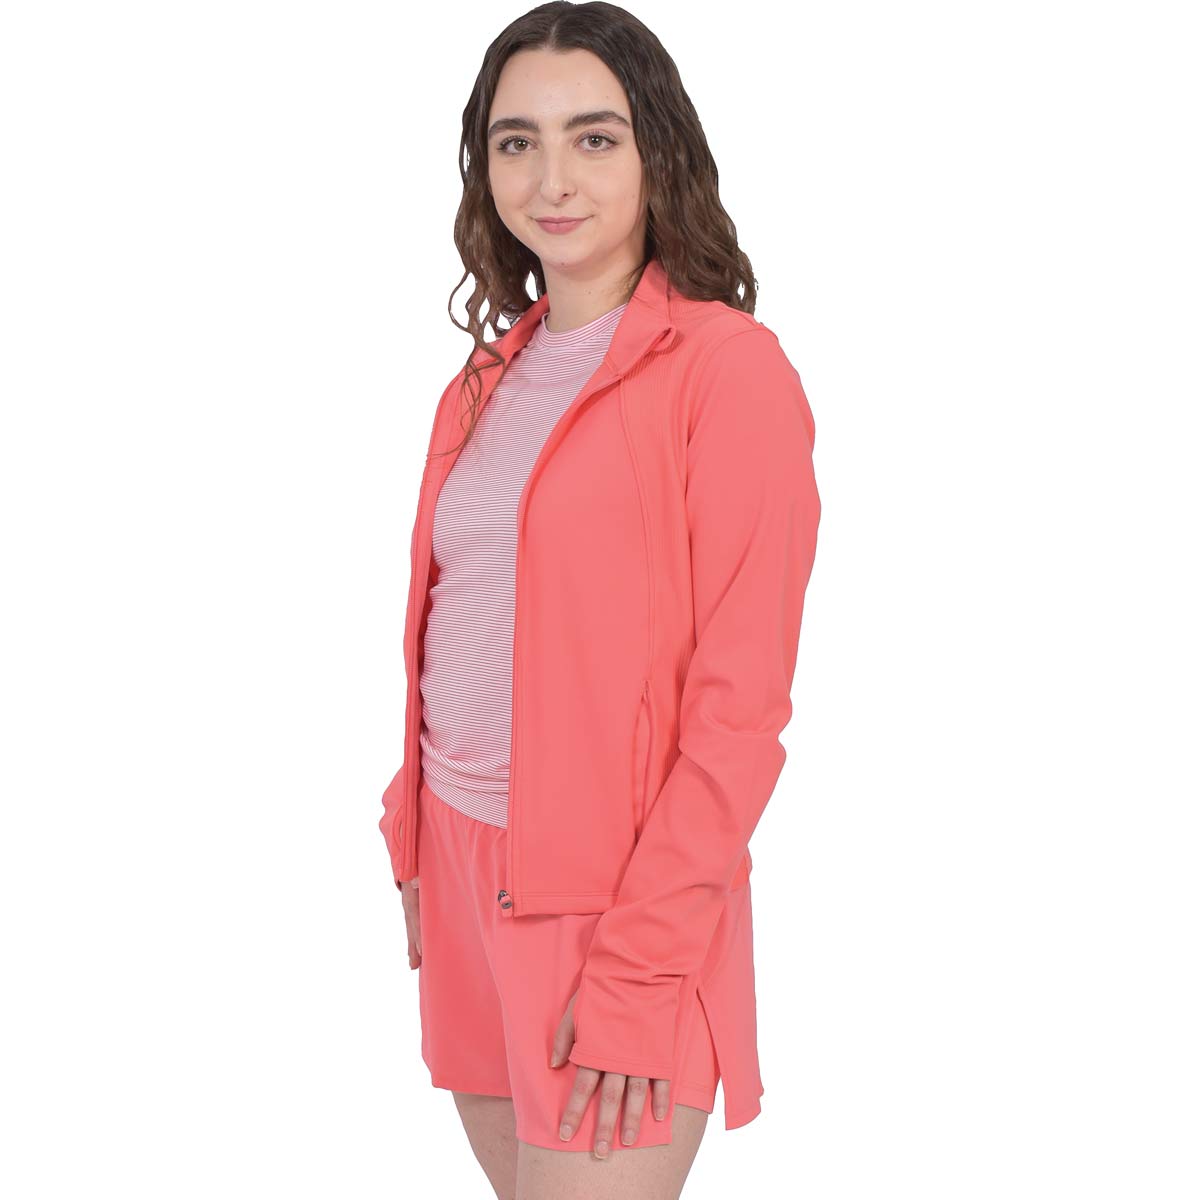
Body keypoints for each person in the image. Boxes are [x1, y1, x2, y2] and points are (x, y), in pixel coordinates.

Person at [377, 3, 822, 1196]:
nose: (552, 179)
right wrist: (412, 835)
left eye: (594, 137)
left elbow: (739, 712)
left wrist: (643, 964)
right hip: (464, 877)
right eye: (516, 142)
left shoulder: (727, 372)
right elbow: (457, 618)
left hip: (616, 904)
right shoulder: (482, 382)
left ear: (657, 149)